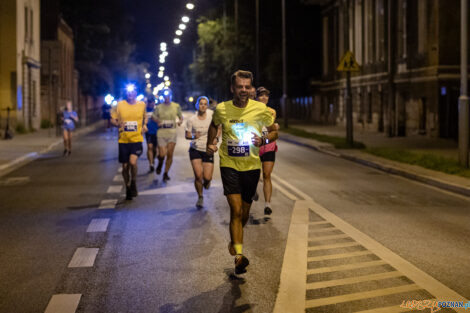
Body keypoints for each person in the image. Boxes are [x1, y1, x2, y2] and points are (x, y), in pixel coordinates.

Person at [207, 70, 278, 274]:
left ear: (251, 88)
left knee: (244, 213)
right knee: (236, 210)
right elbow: (214, 126)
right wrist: (211, 144)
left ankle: (234, 240)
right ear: (233, 88)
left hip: (251, 166)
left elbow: (274, 131)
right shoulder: (222, 109)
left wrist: (263, 140)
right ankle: (239, 256)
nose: (244, 90)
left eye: (247, 87)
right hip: (229, 164)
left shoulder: (260, 109)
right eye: (240, 87)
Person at [111, 84, 147, 200]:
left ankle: (133, 181)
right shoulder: (120, 104)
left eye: (133, 92)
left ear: (136, 93)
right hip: (123, 139)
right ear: (126, 93)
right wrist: (117, 124)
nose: (130, 94)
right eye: (128, 92)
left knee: (132, 162)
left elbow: (145, 117)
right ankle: (127, 186)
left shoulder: (142, 104)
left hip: (136, 138)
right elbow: (112, 118)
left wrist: (144, 125)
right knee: (125, 166)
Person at [185, 96, 220, 208]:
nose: (203, 106)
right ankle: (200, 197)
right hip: (195, 149)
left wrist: (216, 138)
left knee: (207, 177)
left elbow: (219, 128)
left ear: (207, 105)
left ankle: (207, 182)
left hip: (208, 149)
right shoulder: (192, 119)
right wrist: (194, 136)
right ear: (197, 105)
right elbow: (187, 135)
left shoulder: (212, 115)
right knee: (198, 176)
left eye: (205, 104)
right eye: (201, 104)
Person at [152, 88, 183, 182]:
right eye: (165, 96)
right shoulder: (159, 107)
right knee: (162, 154)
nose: (167, 97)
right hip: (161, 133)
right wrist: (158, 121)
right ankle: (160, 163)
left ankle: (165, 173)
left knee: (170, 154)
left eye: (168, 95)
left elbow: (180, 116)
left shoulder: (176, 106)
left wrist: (180, 121)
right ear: (163, 96)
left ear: (171, 95)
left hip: (172, 132)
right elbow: (153, 116)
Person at [257, 87, 278, 215]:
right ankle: (252, 191)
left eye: (266, 96)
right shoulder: (251, 110)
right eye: (261, 95)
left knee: (267, 175)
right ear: (256, 97)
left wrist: (276, 127)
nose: (264, 98)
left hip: (268, 144)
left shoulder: (272, 111)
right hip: (254, 145)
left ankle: (267, 204)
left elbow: (272, 126)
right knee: (253, 174)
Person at [145, 98, 159, 173]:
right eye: (149, 103)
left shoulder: (157, 110)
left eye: (152, 102)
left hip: (157, 132)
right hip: (148, 132)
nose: (151, 104)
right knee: (149, 147)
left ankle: (152, 159)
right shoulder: (144, 110)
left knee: (154, 149)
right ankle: (151, 164)